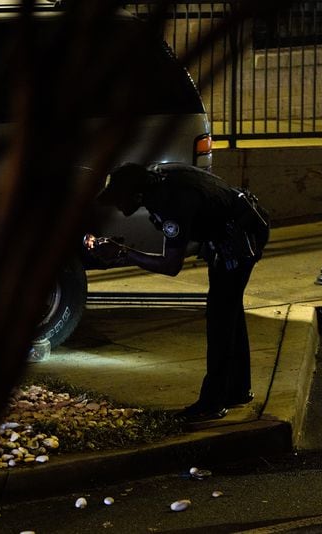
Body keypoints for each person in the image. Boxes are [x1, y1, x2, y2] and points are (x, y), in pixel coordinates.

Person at [89, 162, 270, 423]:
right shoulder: (161, 179)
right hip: (235, 229)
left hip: (240, 237)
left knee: (220, 318)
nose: (116, 206)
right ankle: (237, 390)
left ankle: (212, 403)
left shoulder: (170, 204)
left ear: (137, 195)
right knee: (228, 311)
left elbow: (171, 265)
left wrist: (122, 253)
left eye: (119, 200)